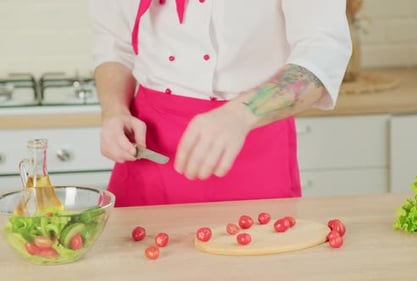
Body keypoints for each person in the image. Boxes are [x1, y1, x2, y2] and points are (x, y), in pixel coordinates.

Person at [89, 0, 352, 207]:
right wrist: (114, 110)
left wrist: (241, 115)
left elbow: (323, 52)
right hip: (149, 151)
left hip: (251, 141)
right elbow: (114, 43)